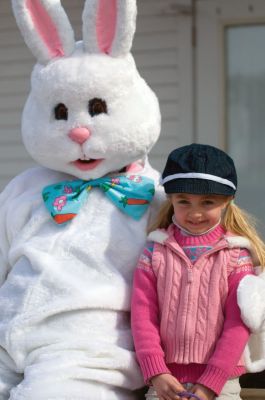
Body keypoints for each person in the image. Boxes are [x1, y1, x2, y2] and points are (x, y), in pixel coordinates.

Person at [131, 143, 265, 400]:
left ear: (227, 200)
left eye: (207, 202)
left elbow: (239, 324)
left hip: (221, 383)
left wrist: (210, 383)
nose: (195, 212)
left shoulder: (237, 255)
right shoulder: (154, 251)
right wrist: (156, 372)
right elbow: (142, 316)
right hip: (164, 381)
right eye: (184, 201)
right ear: (171, 198)